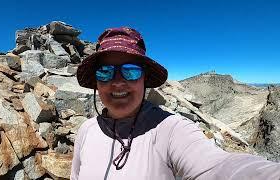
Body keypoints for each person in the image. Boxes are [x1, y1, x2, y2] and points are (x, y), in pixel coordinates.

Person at [71, 27, 280, 180]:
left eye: (131, 71)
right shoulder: (87, 130)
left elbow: (217, 167)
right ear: (96, 82)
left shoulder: (171, 128)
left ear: (145, 80)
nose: (117, 82)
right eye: (105, 72)